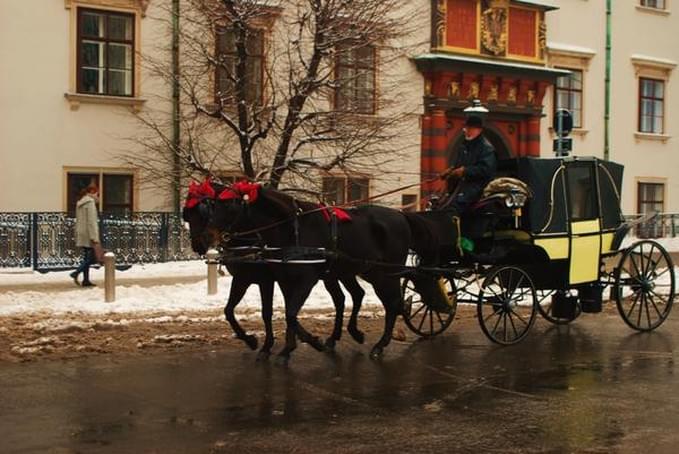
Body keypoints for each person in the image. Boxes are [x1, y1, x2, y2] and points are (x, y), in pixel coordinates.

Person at [438, 114, 497, 214]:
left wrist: (465, 171)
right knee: (439, 203)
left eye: (469, 128)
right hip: (463, 186)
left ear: (478, 130)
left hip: (477, 187)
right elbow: (459, 165)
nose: (465, 130)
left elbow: (486, 169)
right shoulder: (464, 145)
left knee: (454, 206)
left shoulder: (486, 148)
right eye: (465, 127)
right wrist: (450, 171)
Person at [70, 184, 100, 287]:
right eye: (97, 193)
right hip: (88, 234)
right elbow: (91, 221)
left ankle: (86, 280)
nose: (98, 196)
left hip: (82, 233)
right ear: (92, 192)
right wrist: (94, 237)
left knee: (86, 257)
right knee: (91, 258)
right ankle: (76, 272)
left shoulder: (81, 202)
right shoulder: (90, 203)